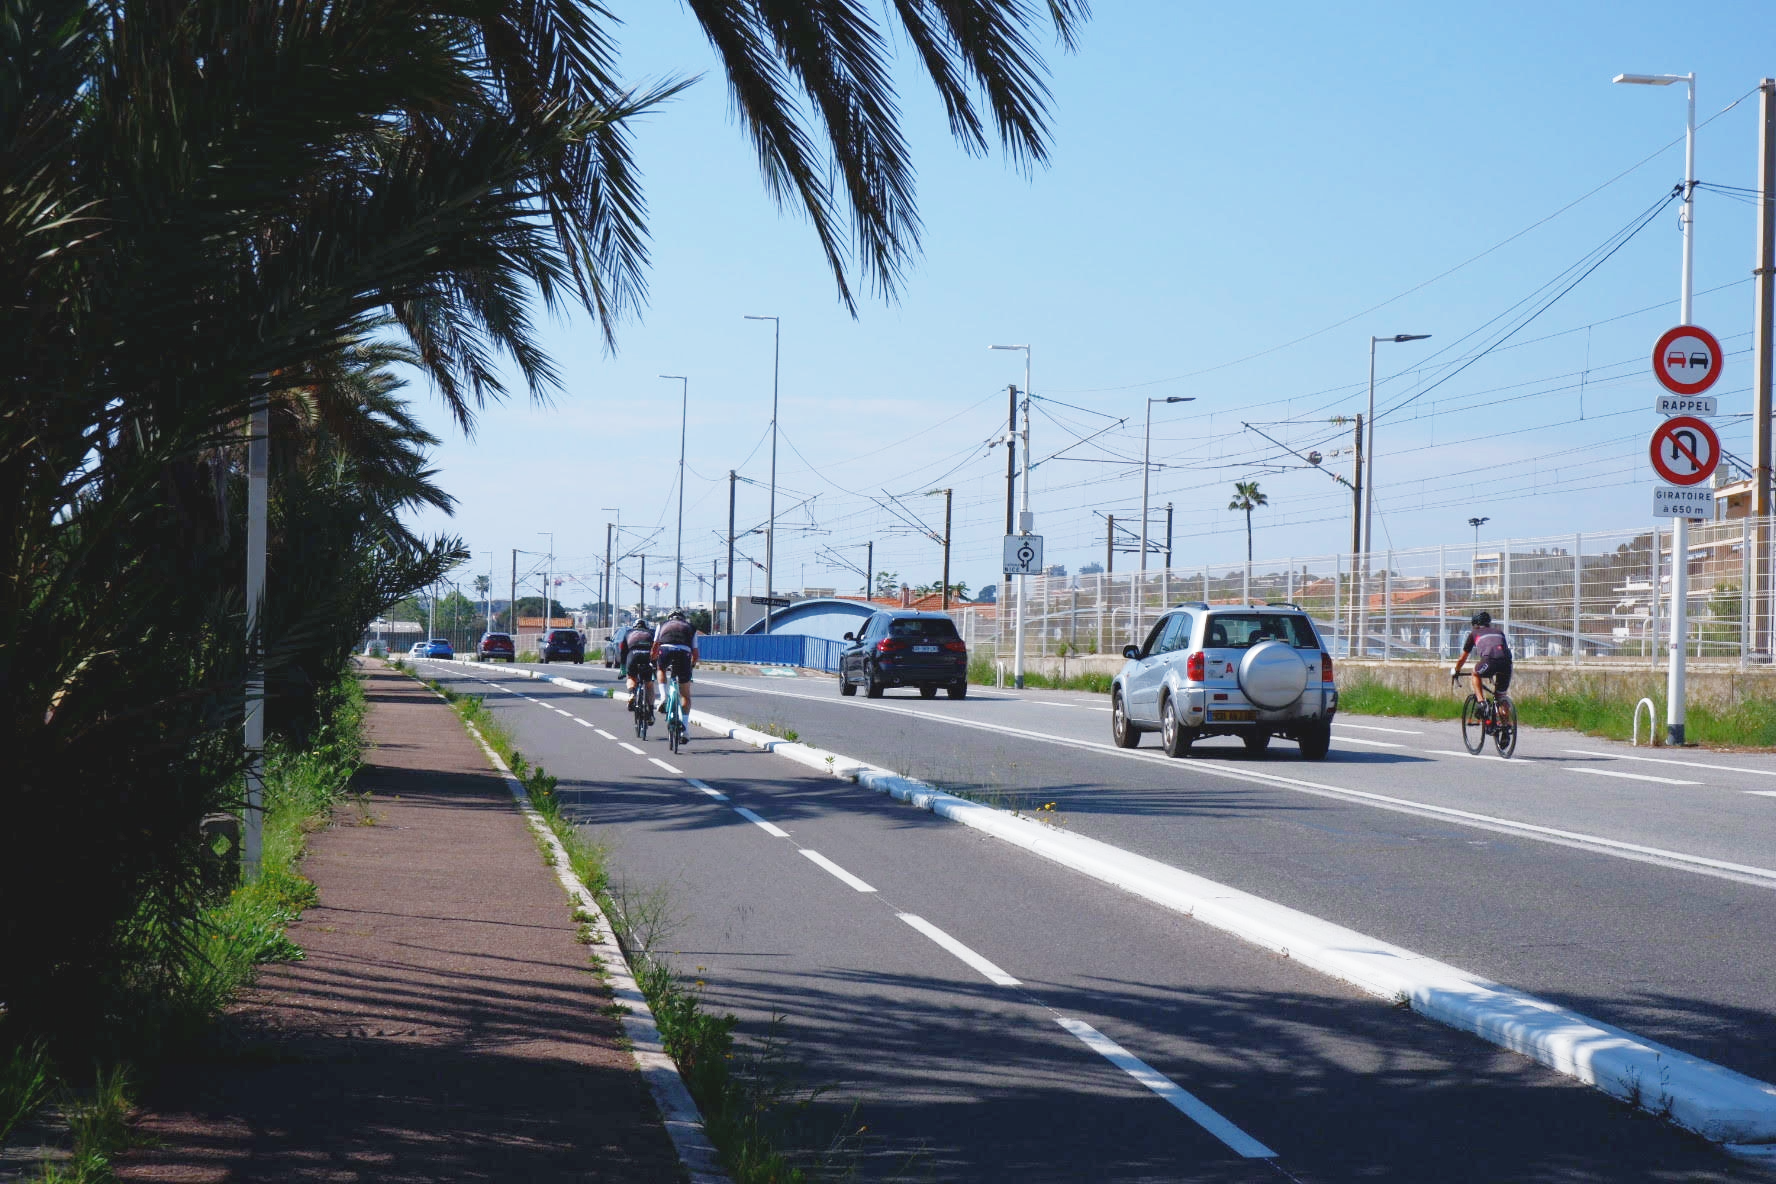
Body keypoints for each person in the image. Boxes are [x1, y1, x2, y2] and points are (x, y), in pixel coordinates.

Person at [1452, 610, 1512, 712]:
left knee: (1475, 673)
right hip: (1507, 663)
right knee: (1500, 697)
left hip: (1490, 660)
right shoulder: (1499, 632)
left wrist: (1456, 670)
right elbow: (1502, 652)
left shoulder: (1474, 633)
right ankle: (1507, 725)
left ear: (1475, 625)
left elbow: (1463, 658)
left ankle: (1481, 702)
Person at [652, 608, 700, 718]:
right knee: (685, 695)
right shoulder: (691, 627)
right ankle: (685, 730)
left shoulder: (662, 624)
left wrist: (653, 658)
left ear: (669, 618)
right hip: (684, 652)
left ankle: (663, 696)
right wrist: (691, 666)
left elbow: (655, 645)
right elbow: (695, 653)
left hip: (665, 650)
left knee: (661, 669)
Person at [619, 617, 657, 711]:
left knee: (631, 677)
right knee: (649, 685)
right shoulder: (651, 633)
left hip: (633, 655)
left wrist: (623, 669)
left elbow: (623, 652)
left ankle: (632, 693)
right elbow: (656, 649)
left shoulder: (628, 633)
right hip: (647, 655)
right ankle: (651, 710)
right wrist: (655, 666)